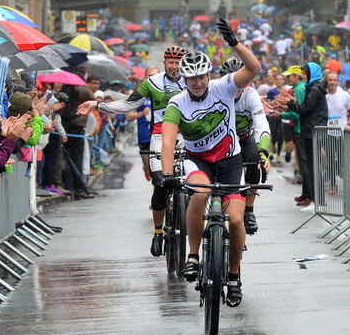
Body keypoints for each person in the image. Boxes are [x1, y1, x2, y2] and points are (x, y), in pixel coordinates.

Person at [160, 19, 261, 307]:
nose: (198, 82)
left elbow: (253, 69)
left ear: (207, 74)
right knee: (199, 193)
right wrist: (167, 174)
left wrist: (234, 43)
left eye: (201, 76)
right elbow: (168, 142)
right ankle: (193, 255)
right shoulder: (177, 103)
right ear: (184, 80)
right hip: (199, 161)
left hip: (230, 159)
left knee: (237, 219)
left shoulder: (223, 87)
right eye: (192, 78)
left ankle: (233, 276)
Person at [78, 46, 187, 256]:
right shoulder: (153, 83)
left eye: (177, 62)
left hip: (186, 137)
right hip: (159, 137)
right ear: (164, 63)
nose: (174, 66)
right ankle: (158, 232)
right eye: (170, 62)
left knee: (197, 184)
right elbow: (127, 105)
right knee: (161, 185)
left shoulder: (192, 81)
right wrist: (97, 105)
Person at [218, 57, 271, 235]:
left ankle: (249, 210)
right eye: (233, 83)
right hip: (223, 139)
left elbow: (261, 125)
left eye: (242, 83)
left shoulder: (251, 95)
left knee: (255, 163)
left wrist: (263, 153)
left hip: (244, 137)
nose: (237, 88)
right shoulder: (216, 92)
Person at [272, 62, 327, 210]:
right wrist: (289, 104)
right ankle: (309, 195)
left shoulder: (314, 89)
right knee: (306, 165)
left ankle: (315, 199)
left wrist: (290, 103)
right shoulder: (311, 88)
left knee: (310, 166)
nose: (303, 75)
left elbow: (304, 109)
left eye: (305, 72)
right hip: (308, 130)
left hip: (310, 131)